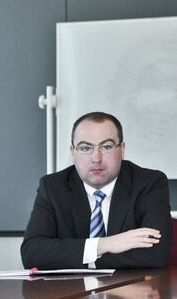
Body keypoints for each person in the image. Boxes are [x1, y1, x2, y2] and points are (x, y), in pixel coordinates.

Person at [21, 111, 172, 270]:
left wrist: (83, 258)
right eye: (86, 148)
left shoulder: (149, 183)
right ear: (73, 153)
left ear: (122, 150)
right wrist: (105, 244)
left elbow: (155, 255)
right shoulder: (53, 187)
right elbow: (32, 254)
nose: (96, 158)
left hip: (130, 292)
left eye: (106, 147)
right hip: (70, 292)